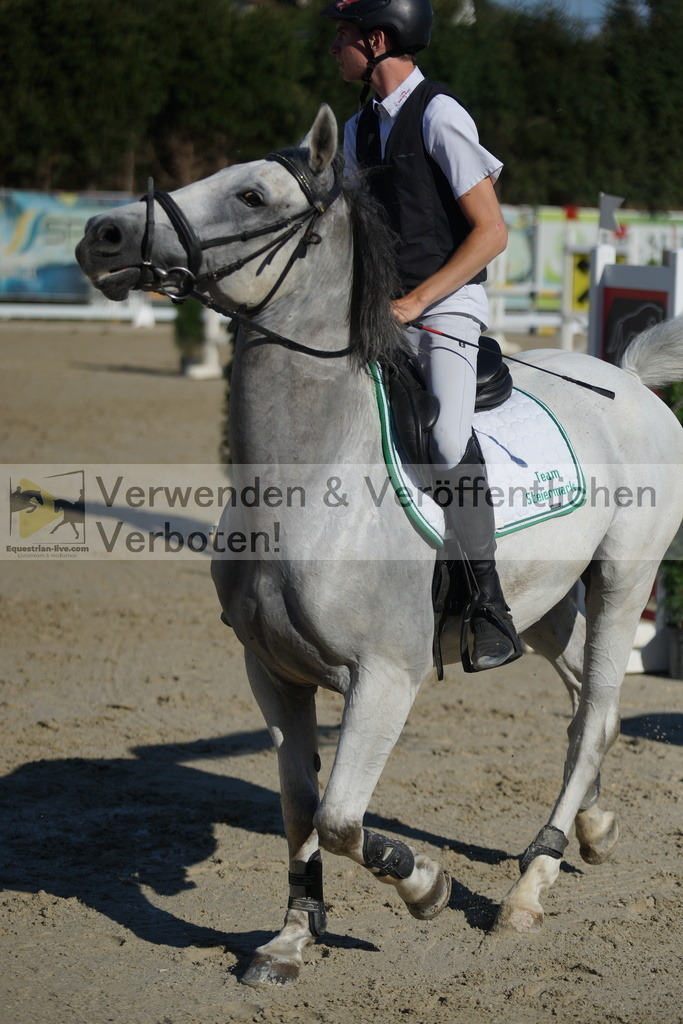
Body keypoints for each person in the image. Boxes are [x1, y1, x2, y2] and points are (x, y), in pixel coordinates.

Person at [322, 0, 522, 670]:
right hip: (382, 309)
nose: (335, 48)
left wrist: (415, 301)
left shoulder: (440, 113)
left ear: (377, 40)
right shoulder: (355, 129)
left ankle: (487, 601)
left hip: (445, 305)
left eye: (344, 36)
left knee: (439, 434)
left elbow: (490, 231)